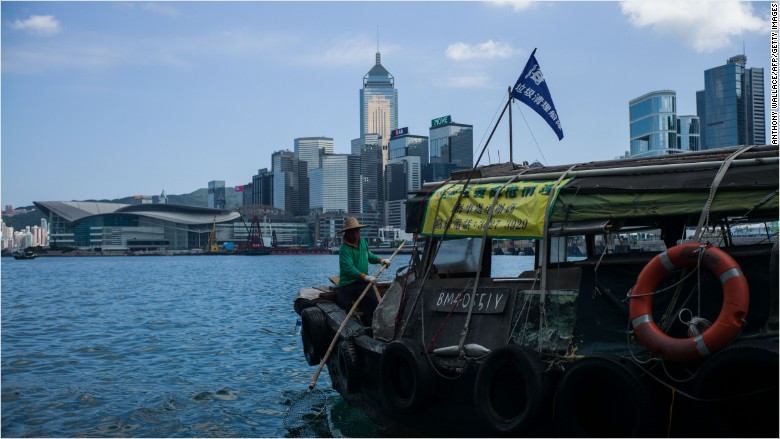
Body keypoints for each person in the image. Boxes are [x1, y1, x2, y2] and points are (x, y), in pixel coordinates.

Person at [336, 217, 390, 327]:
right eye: (352, 232)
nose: (355, 234)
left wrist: (381, 260)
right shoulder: (344, 249)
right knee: (342, 307)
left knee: (373, 304)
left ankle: (371, 328)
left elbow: (369, 256)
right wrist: (365, 276)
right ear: (346, 233)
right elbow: (349, 269)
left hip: (363, 282)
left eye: (357, 231)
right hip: (348, 283)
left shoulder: (363, 243)